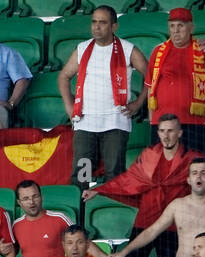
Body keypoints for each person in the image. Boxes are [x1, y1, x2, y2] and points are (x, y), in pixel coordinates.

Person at [86, 114, 205, 257]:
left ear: (179, 133)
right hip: (144, 222)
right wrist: (99, 190)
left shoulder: (190, 158)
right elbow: (130, 179)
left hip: (172, 227)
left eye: (171, 131)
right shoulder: (148, 155)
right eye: (162, 131)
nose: (166, 135)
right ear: (158, 133)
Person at [57, 5, 148, 189]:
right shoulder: (82, 49)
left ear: (114, 26)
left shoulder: (127, 49)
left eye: (103, 22)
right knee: (82, 175)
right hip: (85, 123)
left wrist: (138, 103)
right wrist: (69, 106)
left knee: (114, 174)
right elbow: (64, 76)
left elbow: (151, 77)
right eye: (94, 22)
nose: (96, 27)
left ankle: (113, 215)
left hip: (115, 122)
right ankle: (82, 216)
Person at [144, 7, 205, 153]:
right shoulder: (158, 52)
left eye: (180, 25)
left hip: (195, 122)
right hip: (162, 125)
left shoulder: (203, 50)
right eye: (172, 26)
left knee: (196, 170)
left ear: (191, 27)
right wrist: (152, 121)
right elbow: (151, 87)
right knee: (164, 170)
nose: (176, 30)